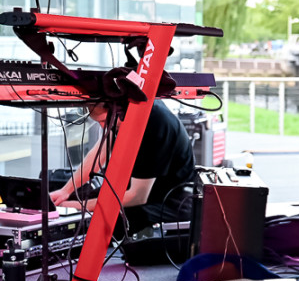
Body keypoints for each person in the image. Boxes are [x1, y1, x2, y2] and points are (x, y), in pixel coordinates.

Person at [49, 99, 197, 238]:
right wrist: (66, 191)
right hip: (145, 193)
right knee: (80, 198)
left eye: (102, 121)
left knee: (99, 221)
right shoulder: (129, 112)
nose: (103, 127)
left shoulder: (155, 124)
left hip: (169, 202)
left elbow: (137, 196)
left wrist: (76, 208)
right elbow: (99, 154)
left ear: (118, 111)